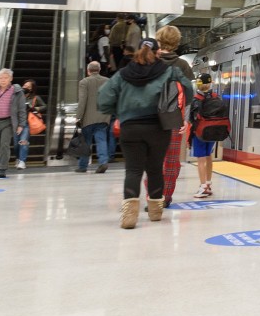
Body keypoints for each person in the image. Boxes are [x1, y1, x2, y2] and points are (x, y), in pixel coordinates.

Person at [98, 38, 190, 229]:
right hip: (158, 128)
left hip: (130, 128)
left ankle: (129, 216)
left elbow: (103, 100)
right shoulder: (169, 71)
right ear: (158, 53)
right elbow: (188, 91)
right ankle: (155, 212)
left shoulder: (122, 74)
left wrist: (121, 111)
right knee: (155, 168)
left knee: (133, 170)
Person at [152, 25, 194, 207]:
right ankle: (166, 196)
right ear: (177, 42)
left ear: (158, 39)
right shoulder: (183, 64)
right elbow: (189, 95)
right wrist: (185, 119)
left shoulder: (151, 60)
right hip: (174, 118)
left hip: (151, 119)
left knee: (153, 160)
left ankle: (153, 196)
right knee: (171, 161)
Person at [74, 61, 112, 174]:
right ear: (99, 70)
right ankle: (103, 162)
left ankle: (82, 166)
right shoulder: (107, 81)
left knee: (86, 142)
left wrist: (78, 116)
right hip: (103, 116)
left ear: (88, 70)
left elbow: (82, 100)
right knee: (101, 140)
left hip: (88, 118)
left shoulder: (84, 82)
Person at [188, 73, 218, 199]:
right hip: (212, 132)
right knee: (208, 156)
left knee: (200, 159)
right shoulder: (216, 97)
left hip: (199, 133)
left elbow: (191, 119)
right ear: (210, 83)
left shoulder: (196, 99)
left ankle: (202, 187)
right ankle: (208, 184)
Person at [17, 79, 45, 169]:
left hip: (26, 123)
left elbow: (44, 106)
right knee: (16, 143)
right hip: (16, 123)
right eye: (24, 86)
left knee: (23, 141)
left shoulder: (35, 98)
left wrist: (35, 108)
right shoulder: (17, 96)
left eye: (28, 87)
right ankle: (18, 158)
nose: (25, 88)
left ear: (32, 89)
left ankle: (22, 161)